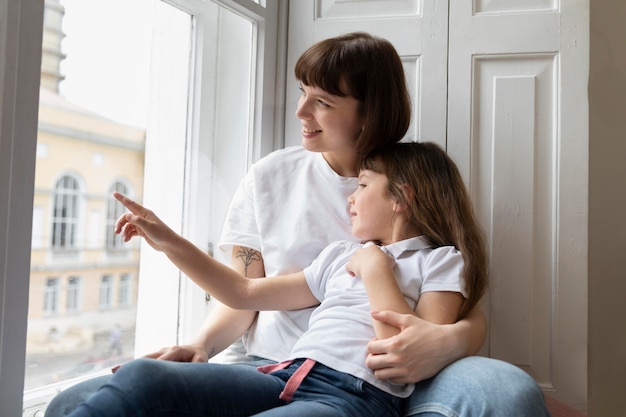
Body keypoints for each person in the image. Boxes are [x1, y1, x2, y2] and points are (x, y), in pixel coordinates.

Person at [46, 32, 549, 417]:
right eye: (303, 92)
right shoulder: (275, 180)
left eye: (323, 101)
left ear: (368, 113)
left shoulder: (414, 183)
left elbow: (458, 301)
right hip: (276, 367)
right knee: (93, 394)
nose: (300, 112)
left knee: (507, 391)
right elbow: (245, 291)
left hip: (379, 381)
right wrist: (200, 338)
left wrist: (452, 339)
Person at [67, 141, 488, 416]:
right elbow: (244, 291)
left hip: (353, 398)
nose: (351, 197)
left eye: (361, 185)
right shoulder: (341, 256)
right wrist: (169, 242)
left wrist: (378, 270)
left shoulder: (442, 262)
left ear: (401, 198)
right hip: (284, 374)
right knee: (143, 378)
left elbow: (403, 360)